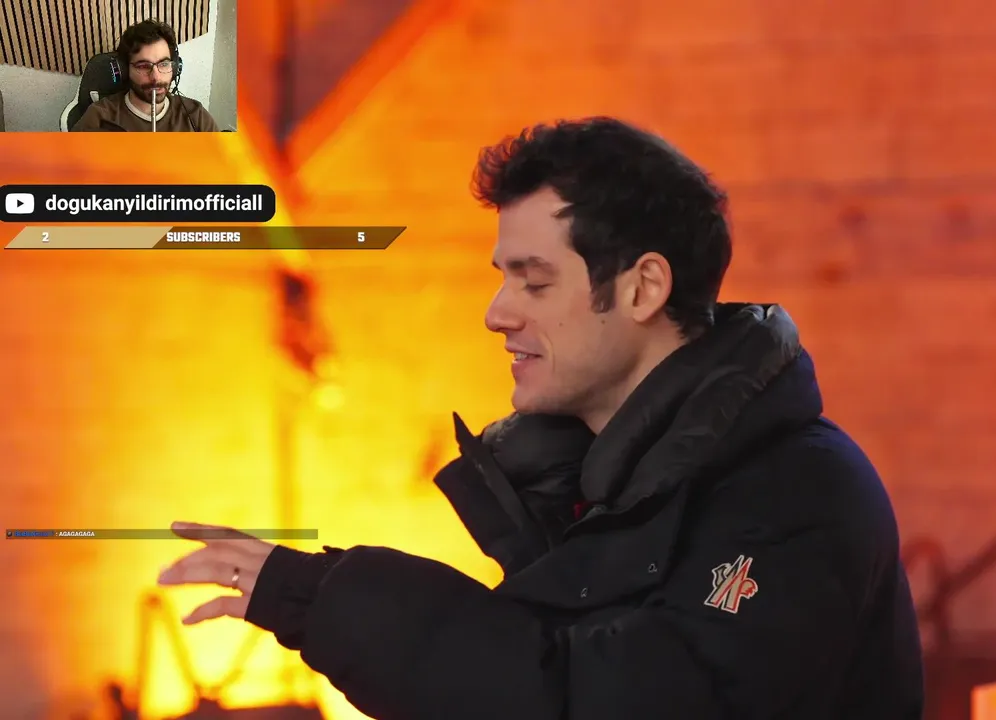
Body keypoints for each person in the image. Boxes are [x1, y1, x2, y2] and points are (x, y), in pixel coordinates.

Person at [157, 117, 925, 718]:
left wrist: (329, 598)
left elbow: (599, 702)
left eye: (534, 282)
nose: (497, 314)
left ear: (642, 289)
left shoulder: (796, 497)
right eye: (504, 280)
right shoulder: (593, 491)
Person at [71, 20, 219, 132]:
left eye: (164, 64)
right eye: (143, 66)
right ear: (125, 69)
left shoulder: (196, 116)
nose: (155, 77)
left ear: (175, 68)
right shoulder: (99, 117)